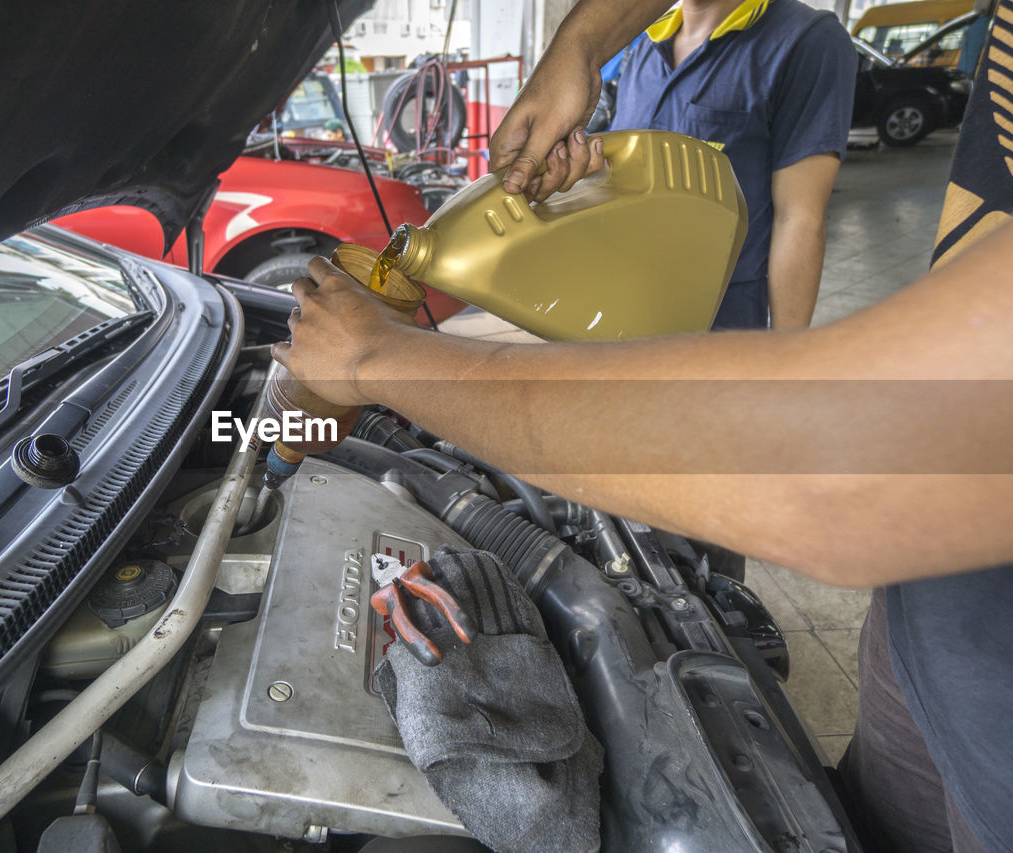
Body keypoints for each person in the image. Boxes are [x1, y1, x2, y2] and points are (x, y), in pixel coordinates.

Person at [274, 0, 1013, 848]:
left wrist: (382, 362)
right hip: (932, 609)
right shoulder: (641, 51)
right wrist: (584, 45)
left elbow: (851, 472)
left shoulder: (802, 41)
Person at [608, 0, 856, 330]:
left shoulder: (806, 41)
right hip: (620, 305)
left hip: (719, 324)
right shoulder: (645, 44)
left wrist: (786, 355)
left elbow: (799, 218)